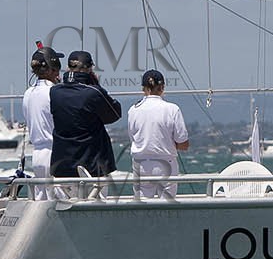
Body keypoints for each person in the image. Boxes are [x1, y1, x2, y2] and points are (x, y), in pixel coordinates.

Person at [49, 49, 122, 197]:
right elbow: (114, 114)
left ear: (68, 68)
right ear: (88, 69)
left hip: (62, 165)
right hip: (91, 165)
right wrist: (97, 85)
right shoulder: (92, 92)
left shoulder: (54, 92)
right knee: (97, 205)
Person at [126, 69, 190, 199]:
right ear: (162, 88)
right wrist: (169, 143)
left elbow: (133, 138)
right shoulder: (172, 109)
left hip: (141, 164)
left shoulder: (133, 110)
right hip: (166, 163)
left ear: (143, 88)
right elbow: (183, 144)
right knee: (167, 206)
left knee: (142, 205)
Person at [22, 44, 61, 200]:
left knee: (40, 200)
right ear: (53, 69)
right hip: (55, 152)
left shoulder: (28, 93)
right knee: (59, 201)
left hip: (37, 154)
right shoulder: (55, 92)